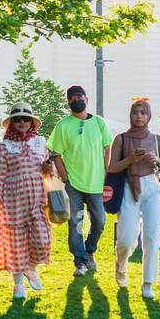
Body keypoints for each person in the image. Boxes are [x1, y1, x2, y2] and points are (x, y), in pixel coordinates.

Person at [47, 84, 113, 278]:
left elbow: (107, 146)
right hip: (73, 184)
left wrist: (106, 171)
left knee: (100, 221)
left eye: (79, 97)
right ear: (68, 102)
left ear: (87, 98)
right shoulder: (62, 125)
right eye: (72, 99)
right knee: (75, 224)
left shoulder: (99, 123)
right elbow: (55, 153)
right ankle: (80, 262)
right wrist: (65, 177)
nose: (77, 101)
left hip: (96, 183)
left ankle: (89, 250)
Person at [107, 98, 160, 298]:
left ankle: (148, 283)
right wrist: (130, 160)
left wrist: (157, 160)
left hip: (152, 187)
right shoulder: (121, 139)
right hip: (128, 187)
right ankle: (121, 264)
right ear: (130, 115)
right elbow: (111, 168)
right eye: (136, 112)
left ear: (149, 116)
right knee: (126, 238)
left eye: (143, 113)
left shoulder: (157, 139)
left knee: (152, 237)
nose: (139, 116)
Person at [0, 104, 51, 299]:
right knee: (15, 243)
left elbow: (47, 171)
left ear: (32, 121)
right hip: (12, 201)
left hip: (37, 198)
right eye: (17, 119)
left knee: (41, 239)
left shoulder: (40, 142)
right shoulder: (4, 147)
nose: (22, 122)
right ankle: (18, 286)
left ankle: (31, 268)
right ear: (11, 123)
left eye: (25, 118)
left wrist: (48, 168)